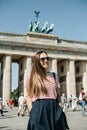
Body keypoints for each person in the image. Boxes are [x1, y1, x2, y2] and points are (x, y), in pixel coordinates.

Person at [26, 50, 69, 130]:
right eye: (42, 59)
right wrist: (32, 112)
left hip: (54, 108)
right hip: (38, 108)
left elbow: (58, 95)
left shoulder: (54, 76)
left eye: (47, 58)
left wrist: (60, 109)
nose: (46, 61)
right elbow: (29, 96)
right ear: (37, 61)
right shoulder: (32, 77)